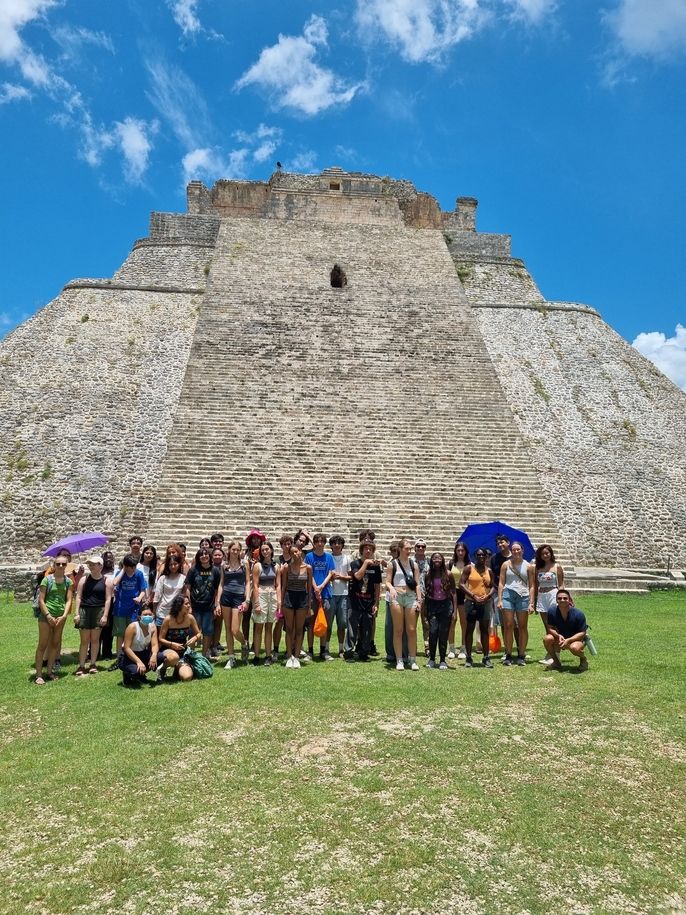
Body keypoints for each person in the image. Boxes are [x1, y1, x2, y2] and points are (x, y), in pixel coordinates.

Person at [34, 556, 74, 683]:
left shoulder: (68, 582)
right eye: (58, 564)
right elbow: (41, 600)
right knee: (43, 645)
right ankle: (39, 674)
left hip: (60, 617)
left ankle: (49, 671)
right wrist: (48, 616)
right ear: (54, 565)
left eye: (63, 564)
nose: (61, 566)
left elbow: (68, 600)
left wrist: (64, 616)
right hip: (46, 616)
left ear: (66, 565)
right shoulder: (47, 580)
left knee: (55, 644)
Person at [386, 537, 423, 671]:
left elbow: (417, 584)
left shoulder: (414, 565)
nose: (409, 551)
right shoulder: (393, 564)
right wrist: (391, 588)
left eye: (410, 549)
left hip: (410, 597)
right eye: (407, 549)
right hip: (397, 597)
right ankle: (399, 659)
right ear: (400, 549)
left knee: (411, 630)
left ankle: (412, 659)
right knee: (398, 630)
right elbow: (388, 581)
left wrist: (419, 600)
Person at [497, 541, 535, 667]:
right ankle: (508, 653)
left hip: (523, 596)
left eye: (518, 549)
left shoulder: (528, 566)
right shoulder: (505, 564)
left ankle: (521, 654)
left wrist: (531, 602)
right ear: (511, 551)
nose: (516, 552)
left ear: (522, 550)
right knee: (508, 625)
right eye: (514, 550)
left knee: (522, 626)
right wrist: (500, 599)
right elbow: (501, 583)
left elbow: (532, 585)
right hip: (508, 594)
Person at [73, 555, 111, 676]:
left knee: (95, 640)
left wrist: (105, 615)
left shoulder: (106, 581)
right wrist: (77, 613)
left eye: (94, 564)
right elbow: (78, 597)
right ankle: (81, 665)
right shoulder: (84, 580)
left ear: (101, 566)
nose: (91, 566)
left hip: (98, 610)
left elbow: (108, 599)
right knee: (84, 640)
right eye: (90, 564)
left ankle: (93, 663)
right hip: (85, 610)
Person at [345, 537, 382, 660]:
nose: (368, 551)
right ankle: (349, 652)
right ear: (361, 550)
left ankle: (364, 652)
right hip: (355, 600)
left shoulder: (376, 568)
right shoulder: (355, 563)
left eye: (370, 549)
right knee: (352, 628)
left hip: (368, 602)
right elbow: (358, 576)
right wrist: (366, 563)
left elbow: (377, 586)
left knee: (367, 628)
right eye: (366, 548)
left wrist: (376, 603)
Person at [110, 554, 149, 667]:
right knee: (120, 634)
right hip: (120, 608)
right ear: (126, 566)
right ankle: (119, 659)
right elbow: (114, 583)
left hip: (134, 609)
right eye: (130, 566)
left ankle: (131, 657)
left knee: (132, 634)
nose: (132, 569)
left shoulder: (139, 574)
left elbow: (142, 589)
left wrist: (140, 598)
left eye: (134, 566)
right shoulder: (121, 574)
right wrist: (123, 570)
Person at [459, 548, 495, 668]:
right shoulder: (469, 568)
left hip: (485, 602)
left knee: (485, 630)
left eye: (483, 555)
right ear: (475, 556)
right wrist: (473, 595)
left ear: (486, 557)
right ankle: (469, 657)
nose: (480, 557)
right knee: (470, 629)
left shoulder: (488, 570)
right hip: (471, 602)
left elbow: (494, 586)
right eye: (478, 555)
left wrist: (488, 596)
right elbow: (461, 583)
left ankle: (486, 657)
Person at [280, 543, 313, 669]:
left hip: (302, 598)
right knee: (289, 629)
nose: (295, 554)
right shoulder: (287, 567)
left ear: (301, 552)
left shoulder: (308, 568)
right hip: (289, 597)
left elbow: (309, 588)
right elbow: (284, 587)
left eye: (297, 551)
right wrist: (281, 603)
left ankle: (297, 656)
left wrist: (309, 605)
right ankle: (289, 656)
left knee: (299, 629)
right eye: (292, 552)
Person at [185, 547, 222, 659]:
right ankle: (190, 654)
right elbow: (187, 587)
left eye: (206, 554)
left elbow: (217, 589)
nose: (204, 556)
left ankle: (204, 654)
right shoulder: (193, 570)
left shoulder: (215, 570)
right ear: (198, 557)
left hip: (208, 606)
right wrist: (188, 605)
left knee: (208, 631)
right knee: (192, 632)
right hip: (195, 606)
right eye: (201, 554)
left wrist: (217, 604)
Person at [305, 533, 336, 661]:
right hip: (312, 594)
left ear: (324, 543)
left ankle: (323, 651)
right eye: (317, 541)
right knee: (311, 623)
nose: (319, 543)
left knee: (324, 623)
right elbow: (308, 573)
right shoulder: (309, 556)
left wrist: (321, 586)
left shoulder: (328, 557)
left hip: (326, 593)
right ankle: (310, 651)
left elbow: (331, 573)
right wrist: (315, 587)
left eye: (322, 541)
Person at [220, 539, 251, 669]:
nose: (235, 552)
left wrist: (247, 599)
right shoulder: (223, 565)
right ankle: (231, 657)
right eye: (233, 549)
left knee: (234, 629)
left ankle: (244, 643)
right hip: (226, 596)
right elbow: (221, 583)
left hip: (238, 597)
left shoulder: (244, 564)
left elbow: (248, 582)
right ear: (229, 550)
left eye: (238, 550)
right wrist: (217, 601)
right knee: (227, 629)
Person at [157, 594, 201, 682]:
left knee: (187, 677)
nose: (189, 606)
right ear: (179, 606)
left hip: (182, 652)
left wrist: (196, 637)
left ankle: (177, 670)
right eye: (186, 604)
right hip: (168, 650)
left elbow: (199, 633)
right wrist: (172, 644)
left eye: (189, 604)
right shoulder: (168, 619)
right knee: (174, 657)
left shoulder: (190, 618)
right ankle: (162, 669)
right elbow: (160, 639)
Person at [423, 552, 457, 669]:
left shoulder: (448, 574)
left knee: (443, 633)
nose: (436, 560)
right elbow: (426, 594)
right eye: (434, 558)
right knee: (433, 632)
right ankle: (432, 658)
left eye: (439, 558)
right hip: (432, 605)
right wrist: (425, 611)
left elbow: (453, 593)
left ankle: (442, 660)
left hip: (446, 605)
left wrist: (455, 611)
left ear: (442, 560)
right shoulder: (428, 575)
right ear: (431, 561)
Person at [533, 544, 564, 666]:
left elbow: (561, 584)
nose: (545, 555)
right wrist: (534, 600)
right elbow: (535, 585)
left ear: (551, 553)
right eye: (542, 554)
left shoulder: (557, 567)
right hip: (542, 596)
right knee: (547, 627)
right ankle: (550, 653)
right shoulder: (538, 568)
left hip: (553, 595)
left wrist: (562, 598)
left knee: (555, 627)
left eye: (547, 553)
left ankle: (556, 653)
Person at [542, 589, 589, 672]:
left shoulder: (578, 614)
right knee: (547, 639)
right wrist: (558, 635)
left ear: (569, 600)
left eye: (565, 598)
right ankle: (556, 663)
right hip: (560, 638)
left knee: (574, 648)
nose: (562, 600)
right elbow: (550, 627)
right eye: (559, 598)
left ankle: (583, 659)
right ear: (556, 600)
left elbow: (582, 632)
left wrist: (568, 640)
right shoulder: (552, 611)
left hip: (576, 639)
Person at [251, 541, 279, 665]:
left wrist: (279, 601)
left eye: (267, 549)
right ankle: (257, 655)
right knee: (258, 626)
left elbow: (278, 585)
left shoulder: (276, 566)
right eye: (263, 550)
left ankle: (268, 655)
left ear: (271, 550)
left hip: (272, 595)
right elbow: (255, 585)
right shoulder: (257, 566)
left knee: (269, 626)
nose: (265, 552)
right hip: (261, 595)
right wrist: (256, 603)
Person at [120, 606, 159, 686]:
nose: (148, 616)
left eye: (150, 614)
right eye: (145, 614)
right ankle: (128, 675)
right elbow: (126, 648)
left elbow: (155, 644)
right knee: (135, 672)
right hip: (129, 655)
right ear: (139, 616)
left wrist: (154, 655)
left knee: (160, 657)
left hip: (143, 653)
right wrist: (139, 662)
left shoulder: (153, 626)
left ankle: (142, 674)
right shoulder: (132, 627)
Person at [329, 534, 352, 657]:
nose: (337, 545)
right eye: (334, 543)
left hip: (343, 593)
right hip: (330, 594)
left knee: (342, 623)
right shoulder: (328, 558)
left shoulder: (347, 559)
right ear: (331, 545)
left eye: (339, 543)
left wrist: (341, 577)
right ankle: (325, 647)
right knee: (328, 623)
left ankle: (341, 649)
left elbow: (351, 576)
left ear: (342, 545)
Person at [152, 547, 187, 628]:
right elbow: (157, 596)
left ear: (179, 564)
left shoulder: (183, 578)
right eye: (171, 565)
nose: (173, 566)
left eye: (175, 564)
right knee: (160, 638)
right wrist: (154, 612)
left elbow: (184, 596)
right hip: (162, 613)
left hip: (176, 613)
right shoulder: (163, 578)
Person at [448, 541, 469, 660]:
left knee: (464, 621)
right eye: (458, 550)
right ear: (455, 551)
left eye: (462, 550)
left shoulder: (469, 564)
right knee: (452, 619)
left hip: (465, 593)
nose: (460, 552)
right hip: (452, 593)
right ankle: (451, 648)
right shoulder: (451, 563)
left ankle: (463, 647)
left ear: (466, 552)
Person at [98, 550, 117, 660]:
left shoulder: (116, 572)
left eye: (110, 558)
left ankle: (107, 652)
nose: (108, 560)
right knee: (97, 627)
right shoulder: (99, 573)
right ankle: (93, 652)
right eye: (106, 558)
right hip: (100, 602)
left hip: (113, 602)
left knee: (109, 629)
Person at [414, 538, 430, 655]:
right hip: (412, 595)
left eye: (422, 546)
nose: (420, 548)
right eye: (418, 546)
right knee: (411, 623)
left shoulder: (429, 561)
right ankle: (411, 646)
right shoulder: (410, 561)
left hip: (427, 596)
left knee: (426, 622)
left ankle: (427, 646)